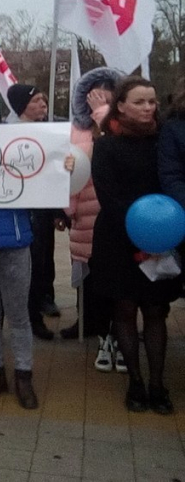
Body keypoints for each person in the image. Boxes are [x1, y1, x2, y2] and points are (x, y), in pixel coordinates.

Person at [0, 90, 68, 410]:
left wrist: (63, 167)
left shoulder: (15, 150)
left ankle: (23, 375)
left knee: (19, 316)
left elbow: (43, 179)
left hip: (14, 245)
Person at [94, 76, 177, 414]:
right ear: (121, 106)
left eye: (153, 102)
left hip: (164, 237)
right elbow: (108, 195)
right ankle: (136, 383)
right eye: (140, 102)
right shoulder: (105, 145)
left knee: (156, 312)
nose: (148, 108)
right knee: (125, 312)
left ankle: (158, 385)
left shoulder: (165, 140)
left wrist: (160, 234)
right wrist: (140, 233)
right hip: (119, 239)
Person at [61, 68, 123, 375]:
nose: (99, 96)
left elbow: (116, 148)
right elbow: (69, 171)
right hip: (85, 218)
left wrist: (104, 113)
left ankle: (121, 336)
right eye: (94, 92)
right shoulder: (76, 130)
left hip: (116, 215)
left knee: (119, 282)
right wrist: (67, 208)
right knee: (93, 283)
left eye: (106, 91)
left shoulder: (120, 127)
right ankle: (103, 337)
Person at [7, 83, 58, 340]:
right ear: (21, 106)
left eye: (44, 100)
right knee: (24, 264)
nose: (43, 104)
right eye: (36, 100)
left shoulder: (49, 130)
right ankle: (28, 317)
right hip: (16, 208)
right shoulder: (5, 133)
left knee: (40, 261)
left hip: (42, 206)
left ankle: (39, 304)